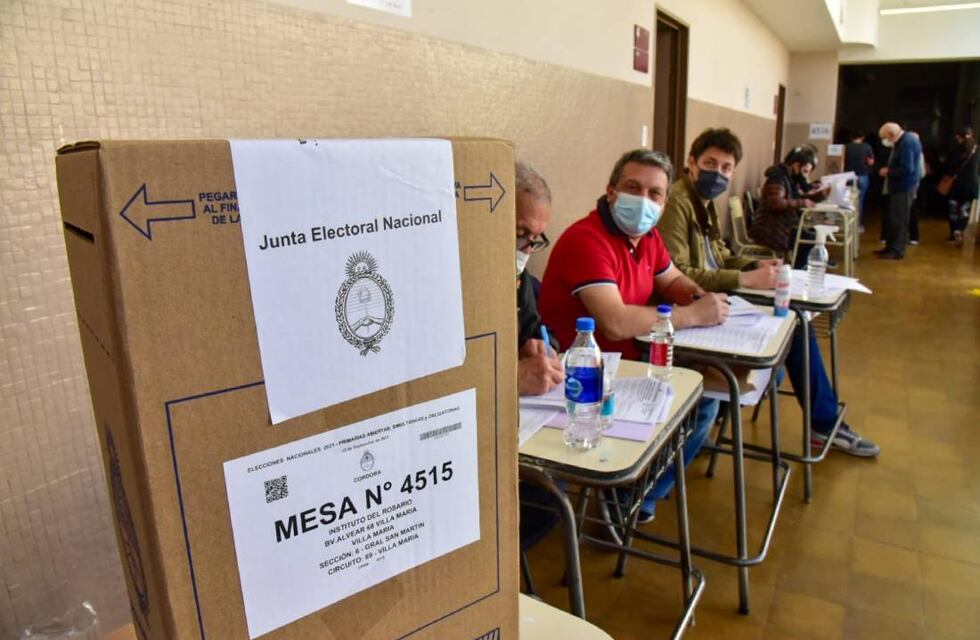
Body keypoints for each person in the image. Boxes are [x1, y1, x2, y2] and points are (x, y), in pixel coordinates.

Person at [659, 127, 880, 457]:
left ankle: (812, 418)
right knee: (797, 327)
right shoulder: (678, 202)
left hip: (717, 296)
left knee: (795, 321)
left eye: (725, 168)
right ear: (691, 163)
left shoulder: (702, 201)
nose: (716, 173)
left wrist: (756, 267)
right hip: (694, 305)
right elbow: (678, 274)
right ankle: (823, 424)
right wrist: (746, 280)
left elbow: (718, 254)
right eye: (709, 163)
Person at [538, 149, 729, 521]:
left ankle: (637, 492)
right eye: (632, 187)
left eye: (654, 194)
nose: (643, 200)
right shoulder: (586, 240)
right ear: (611, 192)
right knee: (701, 402)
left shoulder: (648, 237)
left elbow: (671, 279)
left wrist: (698, 296)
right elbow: (615, 323)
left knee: (712, 392)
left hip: (634, 359)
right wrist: (692, 315)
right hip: (587, 376)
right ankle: (628, 498)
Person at [515, 161, 564, 396]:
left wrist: (539, 345)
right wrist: (511, 378)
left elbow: (535, 327)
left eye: (535, 239)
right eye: (519, 235)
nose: (526, 250)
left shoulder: (520, 277)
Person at [750, 147, 827, 262]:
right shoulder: (778, 178)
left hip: (779, 227)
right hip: (771, 231)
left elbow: (796, 198)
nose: (806, 177)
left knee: (812, 234)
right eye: (805, 171)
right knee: (810, 239)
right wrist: (802, 202)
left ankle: (801, 268)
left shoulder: (788, 179)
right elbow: (775, 202)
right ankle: (799, 270)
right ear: (796, 166)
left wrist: (821, 195)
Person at [875, 122, 922, 260]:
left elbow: (907, 168)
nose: (886, 141)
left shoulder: (907, 142)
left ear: (891, 134)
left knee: (899, 219)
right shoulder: (905, 141)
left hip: (904, 186)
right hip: (899, 186)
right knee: (893, 218)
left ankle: (896, 250)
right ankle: (890, 247)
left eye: (886, 138)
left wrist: (888, 171)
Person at [943, 126, 978, 245]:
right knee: (965, 209)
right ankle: (960, 229)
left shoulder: (955, 150)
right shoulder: (977, 150)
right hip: (971, 184)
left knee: (953, 209)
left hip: (955, 184)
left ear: (959, 137)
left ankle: (953, 234)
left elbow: (948, 166)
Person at [844, 131, 875, 231]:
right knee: (860, 201)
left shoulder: (846, 147)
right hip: (862, 175)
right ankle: (858, 225)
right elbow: (870, 162)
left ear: (851, 137)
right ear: (863, 137)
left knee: (847, 200)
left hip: (848, 176)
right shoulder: (867, 147)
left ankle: (847, 223)